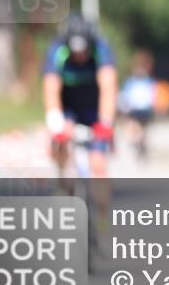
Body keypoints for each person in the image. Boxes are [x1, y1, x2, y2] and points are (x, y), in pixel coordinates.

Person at [42, 13, 118, 184]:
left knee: (98, 163)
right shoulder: (57, 50)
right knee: (60, 145)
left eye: (83, 51)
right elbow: (50, 88)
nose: (79, 56)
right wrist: (56, 123)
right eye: (75, 51)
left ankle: (103, 209)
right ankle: (63, 181)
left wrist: (105, 123)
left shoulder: (101, 48)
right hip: (68, 106)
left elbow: (108, 87)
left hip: (94, 108)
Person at [118, 50, 157, 159]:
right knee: (135, 126)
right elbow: (126, 95)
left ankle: (141, 144)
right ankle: (138, 142)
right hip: (135, 109)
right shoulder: (132, 81)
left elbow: (153, 94)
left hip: (144, 109)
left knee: (141, 128)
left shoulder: (148, 81)